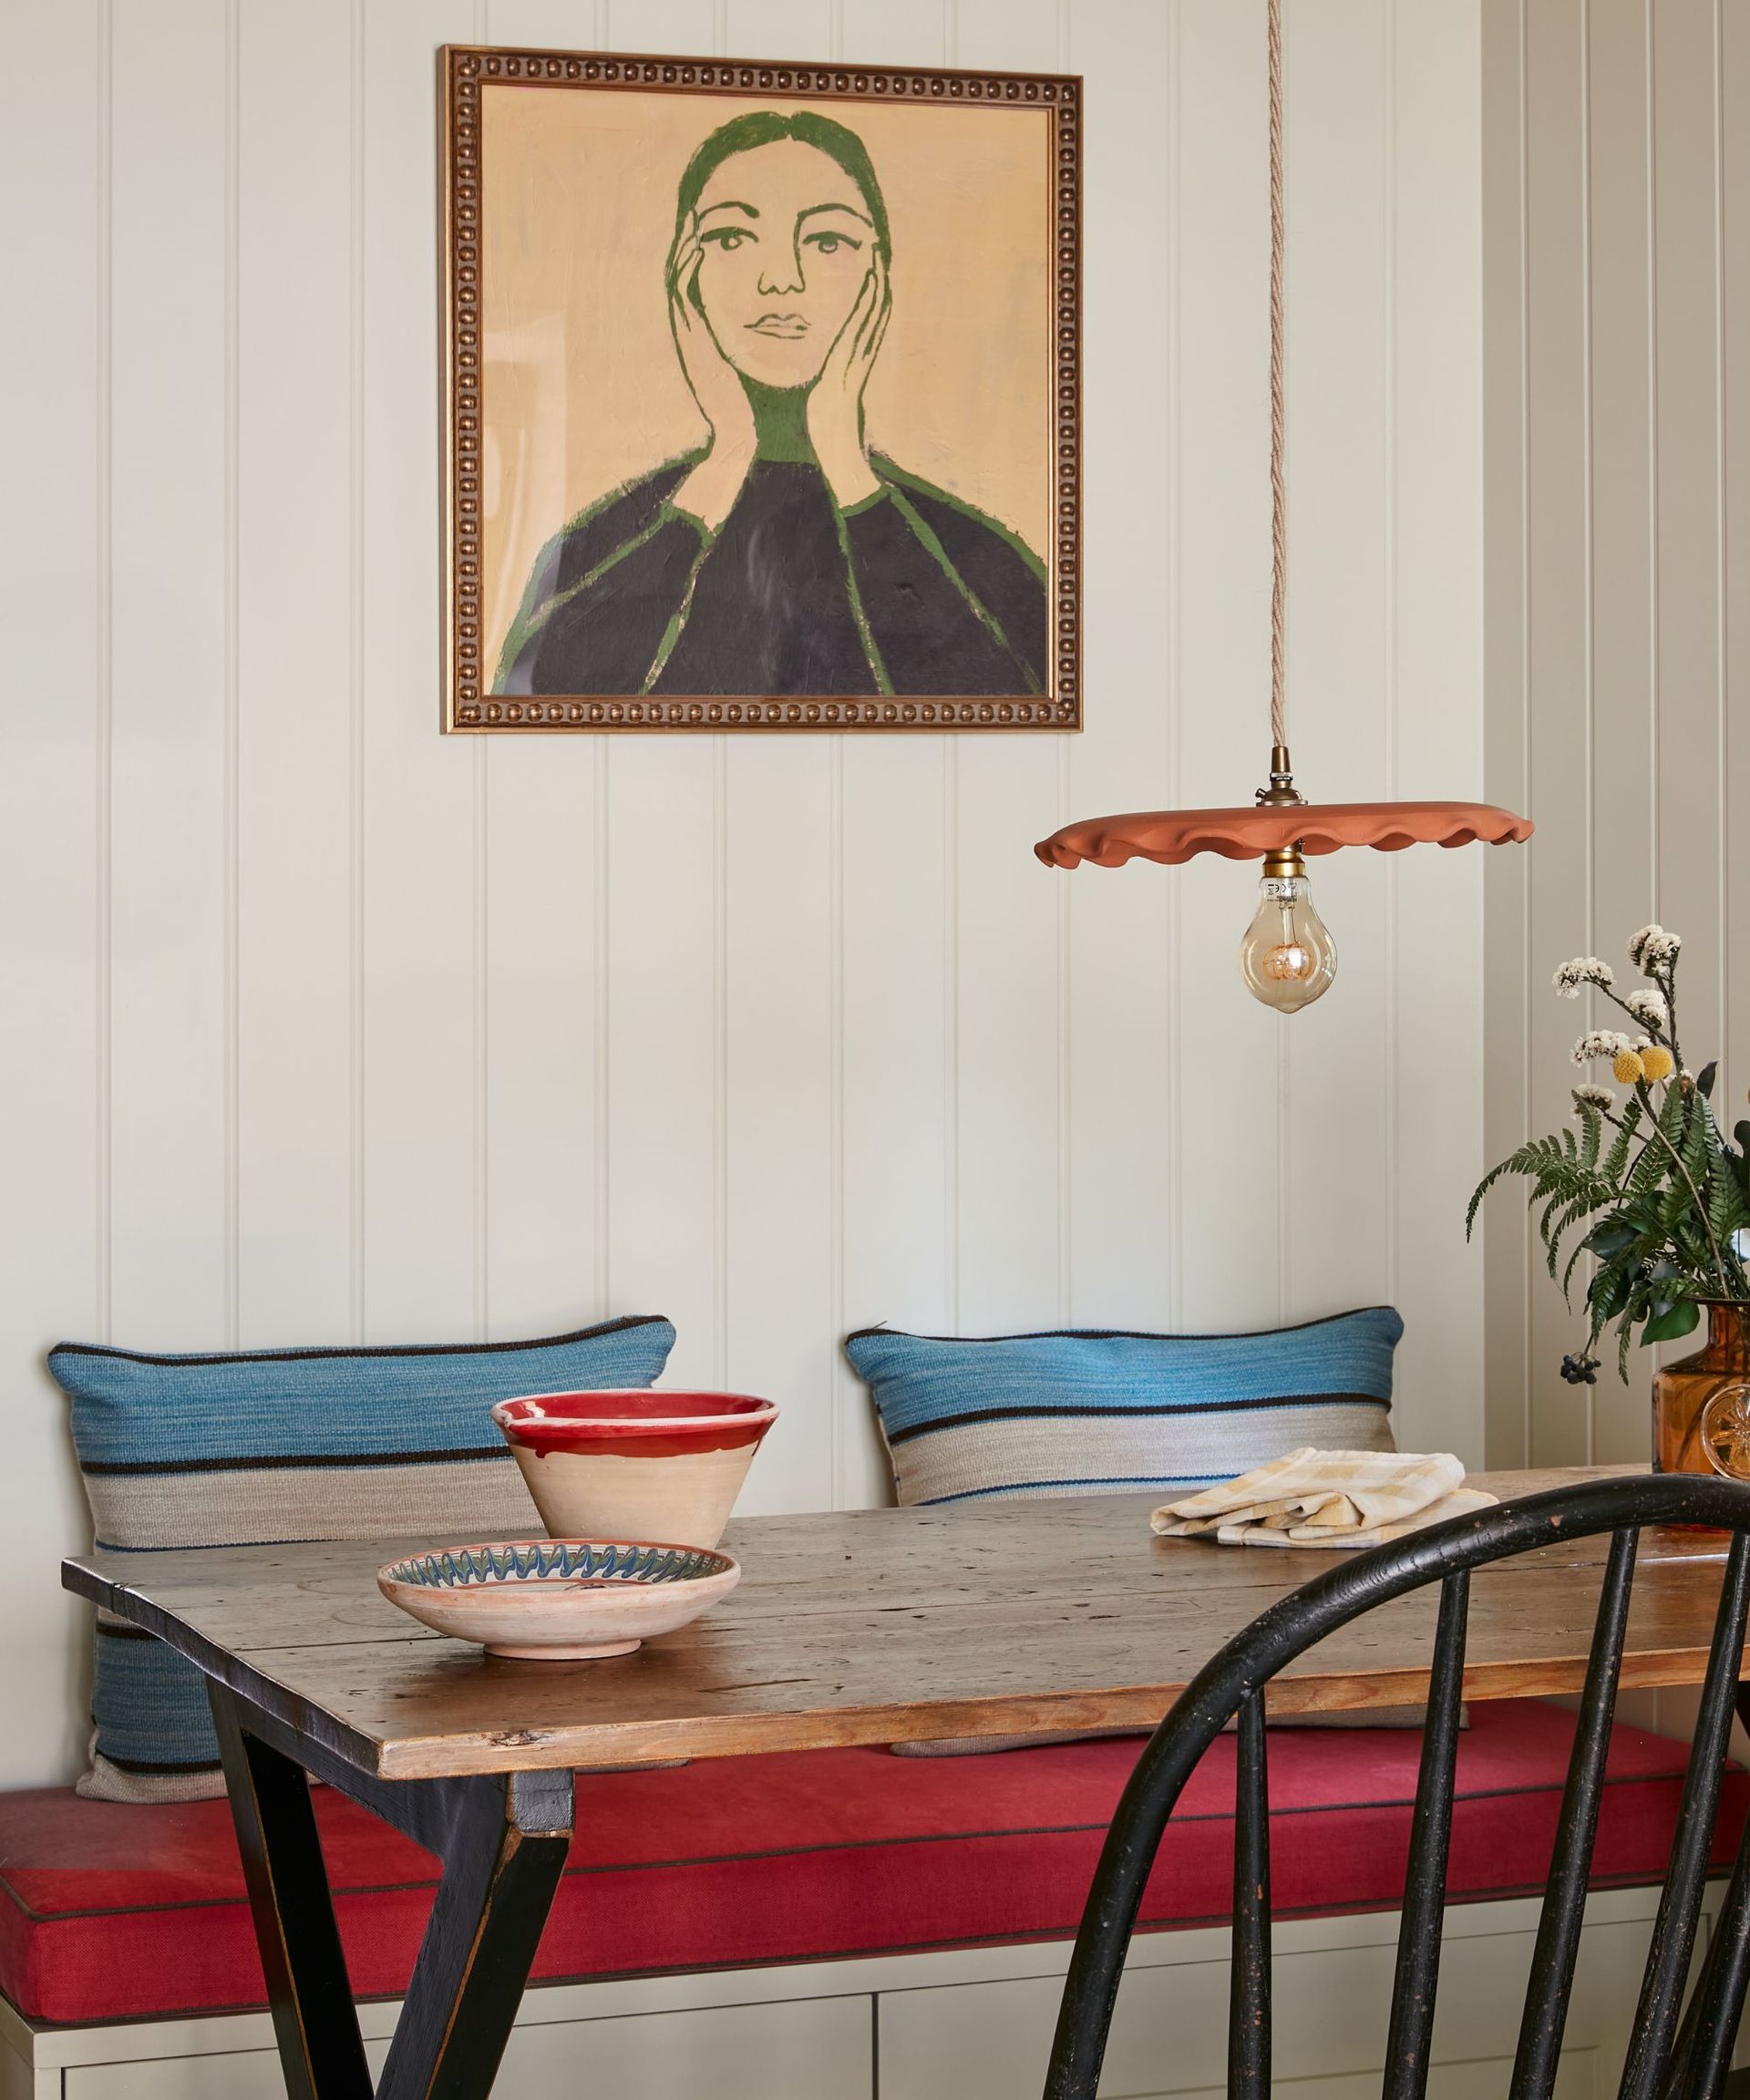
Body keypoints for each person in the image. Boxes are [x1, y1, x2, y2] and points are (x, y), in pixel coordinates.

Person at [495, 108, 1048, 700]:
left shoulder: (978, 558)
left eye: (827, 240)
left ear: (877, 275)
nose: (781, 280)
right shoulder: (597, 548)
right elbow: (540, 700)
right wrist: (727, 457)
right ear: (685, 275)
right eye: (732, 238)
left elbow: (992, 709)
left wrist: (844, 456)